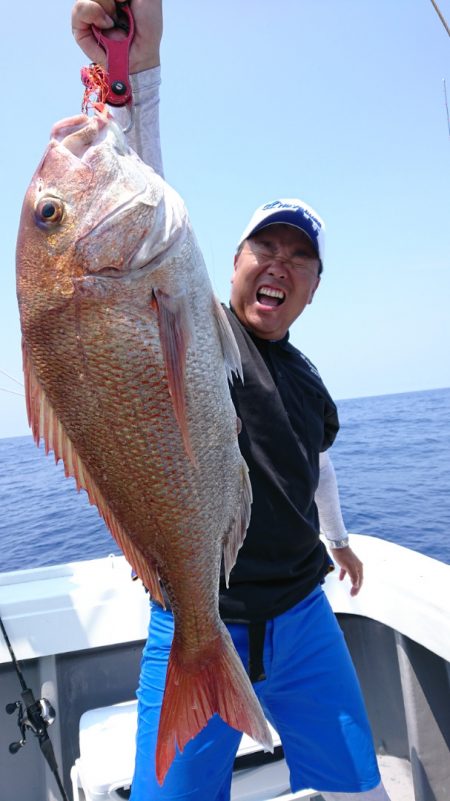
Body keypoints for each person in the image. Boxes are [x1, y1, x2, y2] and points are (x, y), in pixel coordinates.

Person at [72, 3, 391, 800]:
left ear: (313, 289)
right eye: (265, 247)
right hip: (195, 615)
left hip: (304, 615)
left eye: (300, 258)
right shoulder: (194, 332)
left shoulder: (308, 378)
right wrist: (135, 72)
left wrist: (340, 539)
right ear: (232, 260)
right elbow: (138, 200)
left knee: (359, 792)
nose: (279, 264)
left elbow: (317, 465)